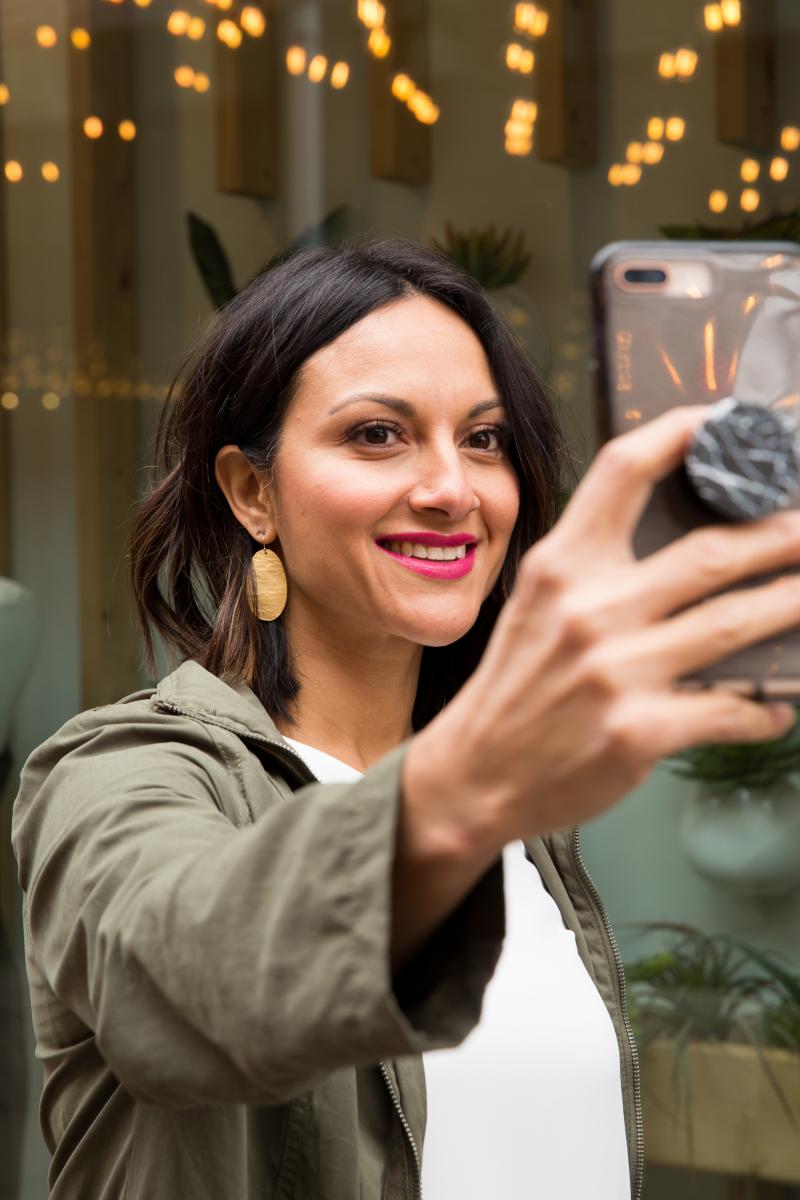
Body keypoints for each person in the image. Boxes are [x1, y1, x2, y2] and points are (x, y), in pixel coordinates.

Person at [11, 239, 800, 1200]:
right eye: (377, 434)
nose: (452, 489)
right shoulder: (123, 768)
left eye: (485, 439)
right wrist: (478, 781)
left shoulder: (524, 829)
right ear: (252, 492)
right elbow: (180, 988)